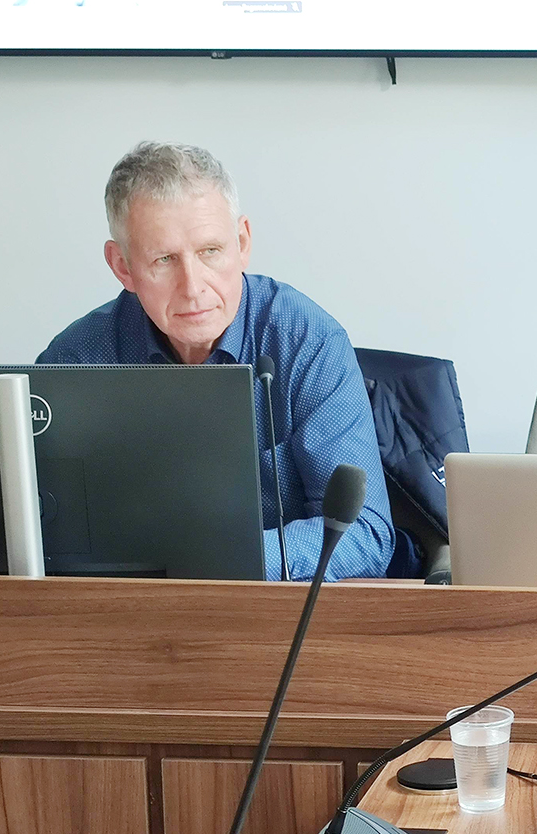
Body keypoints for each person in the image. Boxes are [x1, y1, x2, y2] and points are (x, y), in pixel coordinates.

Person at [38, 141, 397, 581]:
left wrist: (218, 558)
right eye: (164, 259)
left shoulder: (307, 340)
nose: (193, 287)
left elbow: (363, 534)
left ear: (242, 243)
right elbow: (41, 536)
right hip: (127, 607)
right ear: (123, 267)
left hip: (275, 606)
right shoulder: (76, 360)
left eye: (210, 251)